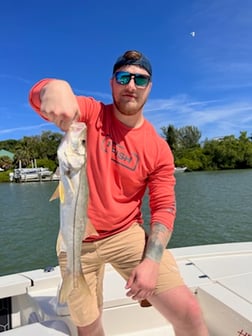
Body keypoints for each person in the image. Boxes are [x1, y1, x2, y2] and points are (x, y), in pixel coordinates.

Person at [29, 50, 209, 336]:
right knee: (89, 327)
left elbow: (163, 207)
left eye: (140, 79)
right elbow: (42, 98)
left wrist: (151, 261)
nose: (131, 85)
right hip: (77, 241)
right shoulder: (91, 114)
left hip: (127, 234)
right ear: (112, 83)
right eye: (123, 77)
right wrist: (54, 87)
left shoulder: (159, 148)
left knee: (190, 313)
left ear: (150, 87)